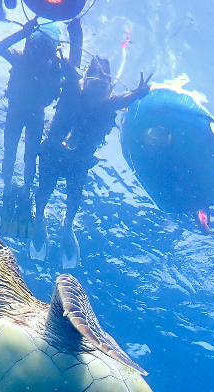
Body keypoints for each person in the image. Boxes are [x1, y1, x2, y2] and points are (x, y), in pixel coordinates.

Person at [32, 57, 151, 267]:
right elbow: (69, 76)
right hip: (52, 154)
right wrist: (68, 65)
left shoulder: (109, 104)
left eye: (103, 83)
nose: (97, 87)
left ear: (109, 87)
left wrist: (139, 93)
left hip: (78, 161)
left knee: (74, 199)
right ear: (85, 79)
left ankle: (67, 226)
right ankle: (40, 218)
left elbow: (125, 99)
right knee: (43, 194)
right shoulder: (72, 90)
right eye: (93, 80)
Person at [0, 16, 83, 237]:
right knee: (18, 154)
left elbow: (76, 76)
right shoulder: (30, 62)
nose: (39, 54)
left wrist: (73, 44)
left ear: (52, 50)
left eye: (44, 49)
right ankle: (14, 189)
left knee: (22, 155)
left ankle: (20, 190)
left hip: (27, 114)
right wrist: (24, 32)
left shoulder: (47, 65)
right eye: (37, 47)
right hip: (26, 114)